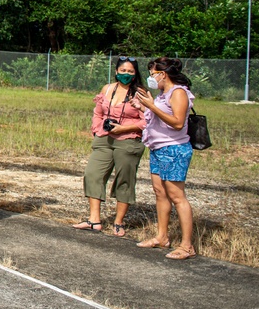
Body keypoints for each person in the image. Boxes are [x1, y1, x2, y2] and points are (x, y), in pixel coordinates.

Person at [131, 57, 197, 260]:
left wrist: (152, 106)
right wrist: (143, 106)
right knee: (160, 192)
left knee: (177, 196)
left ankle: (187, 246)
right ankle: (162, 236)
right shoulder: (162, 94)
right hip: (158, 148)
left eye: (153, 74)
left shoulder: (178, 93)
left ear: (164, 73)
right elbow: (157, 117)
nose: (151, 78)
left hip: (174, 149)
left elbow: (177, 123)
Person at [72, 56, 146, 235]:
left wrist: (124, 128)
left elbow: (147, 121)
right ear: (116, 72)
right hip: (105, 138)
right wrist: (97, 129)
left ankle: (119, 222)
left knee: (124, 180)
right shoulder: (107, 89)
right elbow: (98, 112)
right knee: (92, 174)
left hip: (128, 140)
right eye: (123, 71)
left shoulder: (141, 93)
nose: (126, 74)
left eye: (130, 72)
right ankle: (94, 220)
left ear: (135, 74)